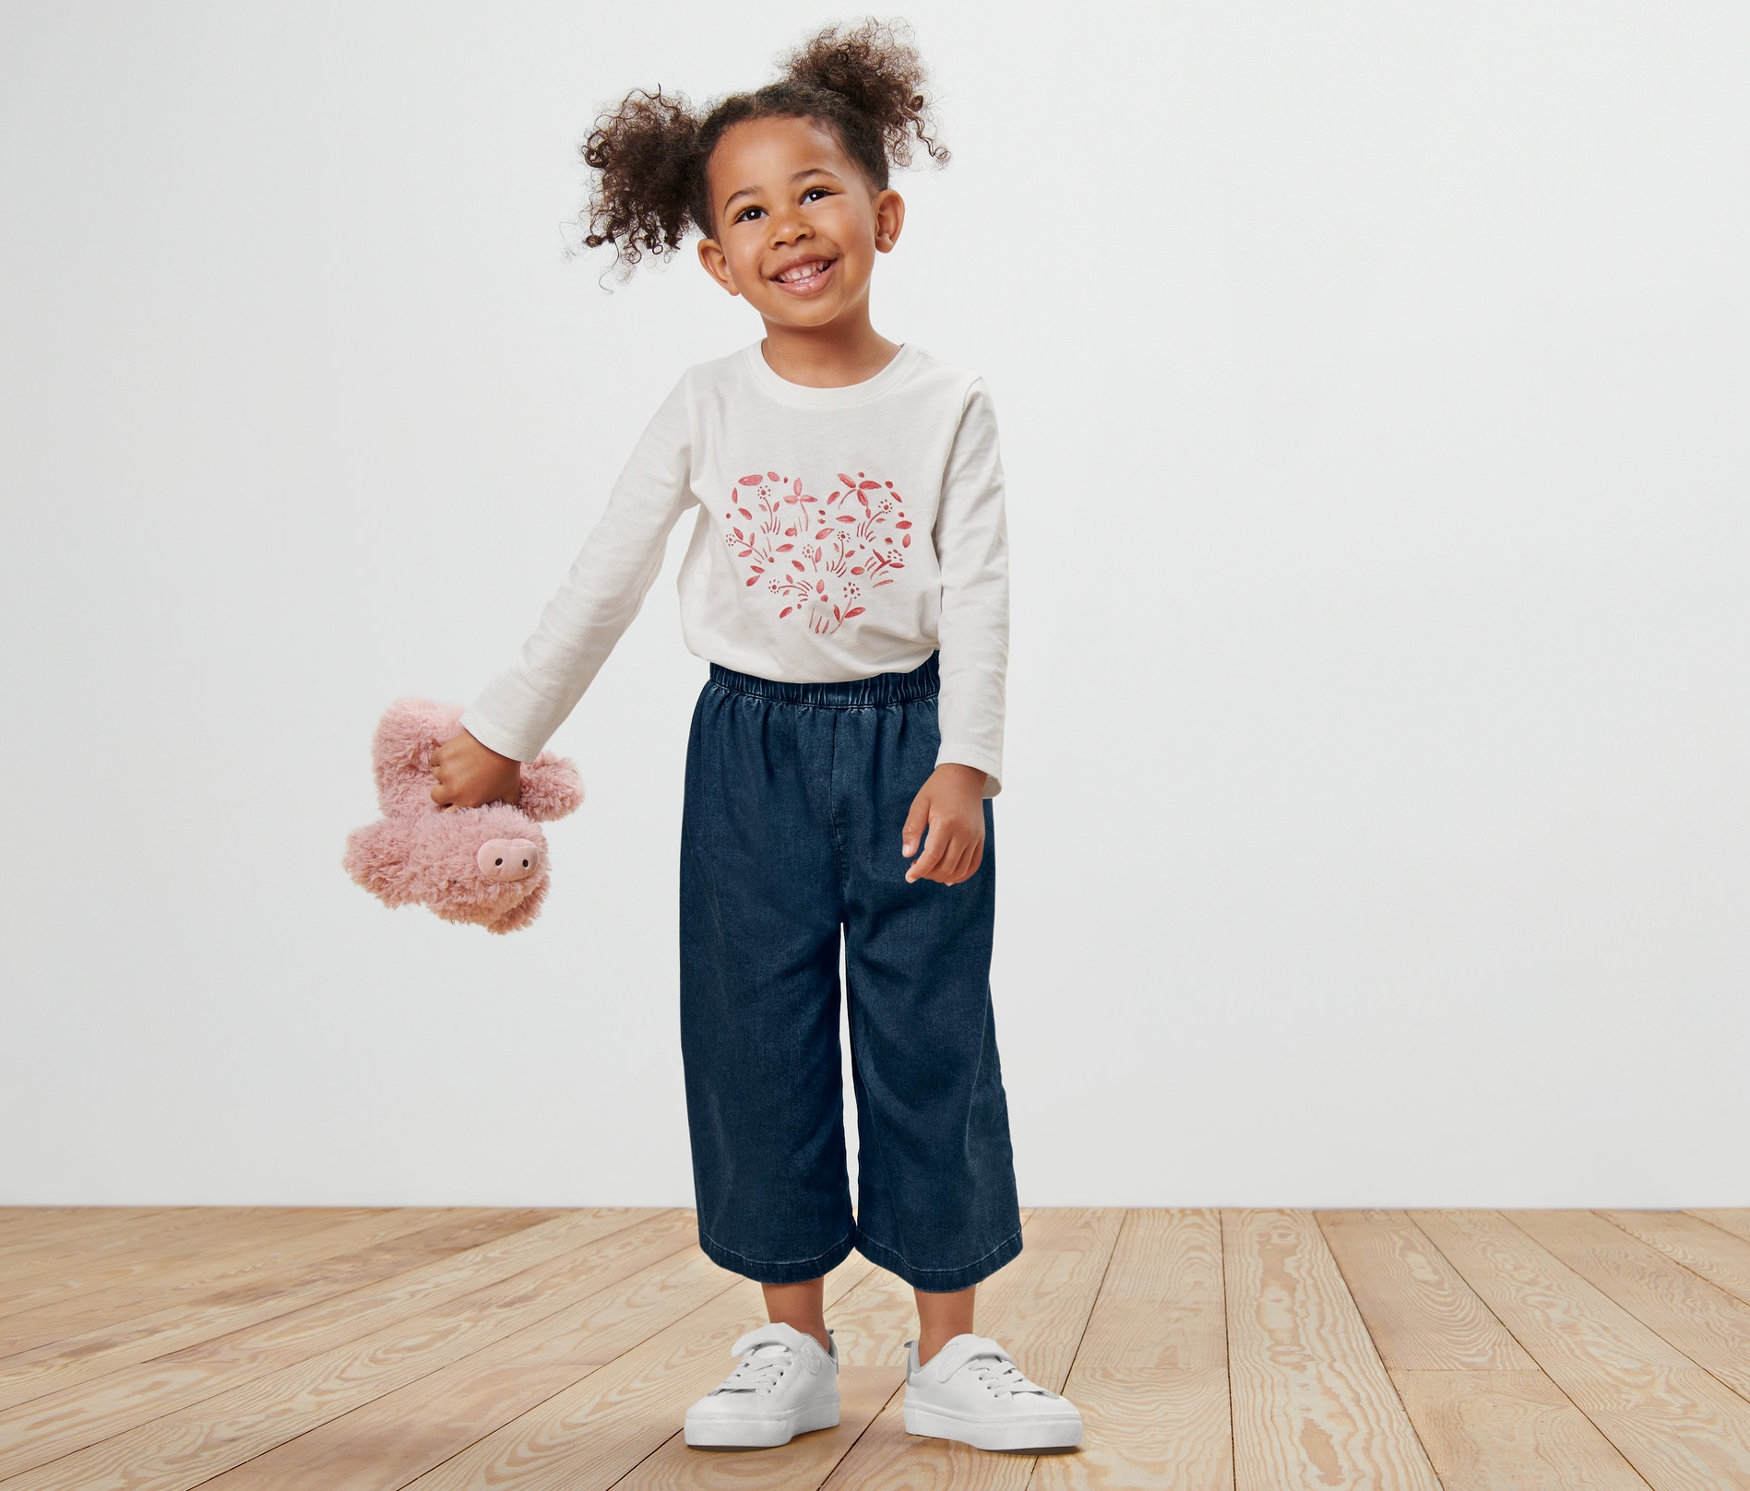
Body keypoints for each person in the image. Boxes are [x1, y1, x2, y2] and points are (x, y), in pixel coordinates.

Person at [428, 17, 1082, 1456]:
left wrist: (967, 764)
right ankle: (790, 1339)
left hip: (910, 751)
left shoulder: (949, 403)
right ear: (716, 263)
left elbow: (980, 591)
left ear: (883, 218)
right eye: (748, 211)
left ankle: (951, 1349)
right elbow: (604, 577)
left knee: (930, 1036)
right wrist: (500, 732)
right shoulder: (705, 404)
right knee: (753, 1034)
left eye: (816, 191)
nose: (788, 226)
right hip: (748, 754)